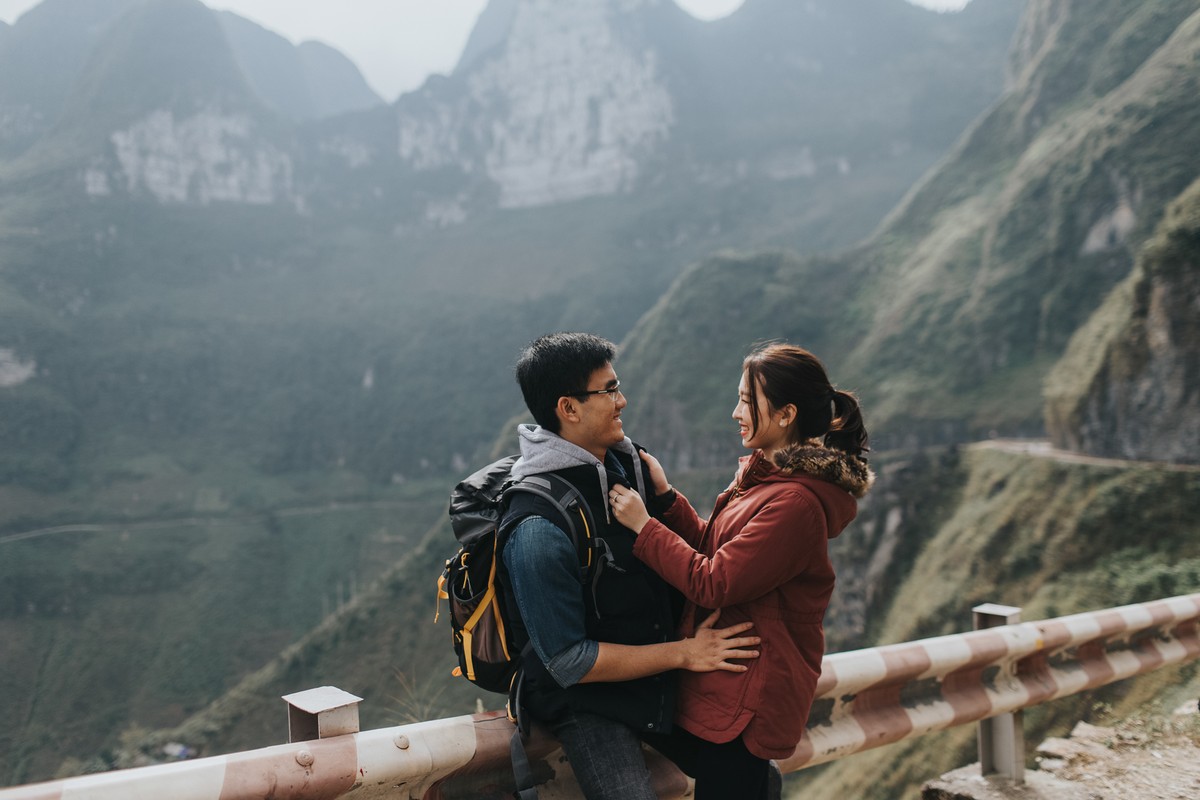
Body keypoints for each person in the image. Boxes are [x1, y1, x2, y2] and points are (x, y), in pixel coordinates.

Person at [500, 332, 761, 800]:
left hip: (651, 678)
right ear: (569, 408)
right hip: (588, 699)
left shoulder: (628, 465)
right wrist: (685, 653)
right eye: (609, 390)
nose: (622, 401)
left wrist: (664, 497)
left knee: (752, 775)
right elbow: (567, 662)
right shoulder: (537, 525)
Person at [609, 342, 874, 800]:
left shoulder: (794, 503)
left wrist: (643, 525)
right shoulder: (762, 478)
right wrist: (667, 498)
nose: (736, 412)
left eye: (748, 402)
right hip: (726, 684)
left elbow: (713, 581)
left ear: (786, 414)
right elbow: (715, 550)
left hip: (749, 695)